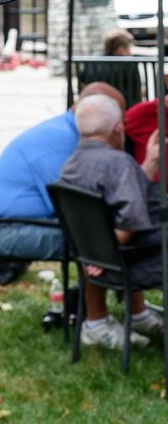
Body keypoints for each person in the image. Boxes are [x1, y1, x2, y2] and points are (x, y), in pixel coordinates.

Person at [56, 94, 166, 349]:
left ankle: (138, 316)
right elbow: (130, 219)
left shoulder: (70, 165)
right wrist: (102, 253)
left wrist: (92, 252)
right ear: (119, 129)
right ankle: (138, 316)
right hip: (129, 263)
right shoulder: (120, 163)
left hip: (90, 261)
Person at [0, 82, 129, 262]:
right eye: (118, 116)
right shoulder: (63, 141)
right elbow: (71, 208)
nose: (121, 124)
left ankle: (88, 289)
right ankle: (107, 288)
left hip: (12, 227)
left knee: (101, 239)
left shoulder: (66, 129)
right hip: (6, 232)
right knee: (102, 242)